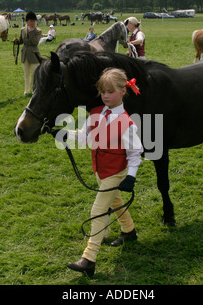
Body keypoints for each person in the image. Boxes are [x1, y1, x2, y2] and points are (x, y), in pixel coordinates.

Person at [56, 68, 143, 277]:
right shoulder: (95, 112)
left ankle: (88, 258)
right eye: (103, 91)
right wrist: (64, 134)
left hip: (115, 173)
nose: (105, 96)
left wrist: (130, 177)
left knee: (98, 211)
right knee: (115, 202)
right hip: (100, 170)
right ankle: (129, 231)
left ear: (123, 91)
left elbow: (135, 154)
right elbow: (85, 137)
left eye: (110, 91)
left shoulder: (127, 124)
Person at [13, 11, 43, 96]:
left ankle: (35, 90)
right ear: (27, 21)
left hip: (34, 54)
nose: (33, 22)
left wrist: (32, 32)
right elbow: (21, 41)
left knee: (35, 74)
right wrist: (16, 41)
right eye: (31, 21)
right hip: (25, 53)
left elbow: (35, 42)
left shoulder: (38, 31)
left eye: (34, 21)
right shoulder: (23, 30)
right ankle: (27, 90)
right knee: (26, 74)